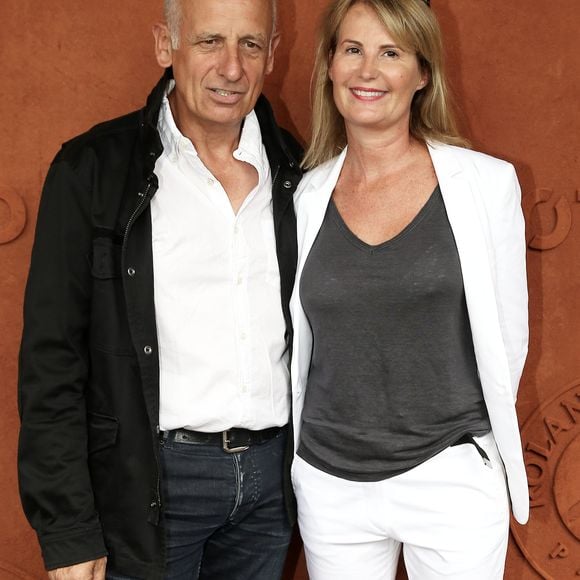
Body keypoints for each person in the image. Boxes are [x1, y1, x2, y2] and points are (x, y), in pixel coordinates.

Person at [17, 0, 302, 578]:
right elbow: (52, 360)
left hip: (273, 489)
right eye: (208, 42)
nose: (231, 68)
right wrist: (68, 528)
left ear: (272, 54)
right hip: (148, 485)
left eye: (250, 44)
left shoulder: (302, 173)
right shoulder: (91, 170)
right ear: (164, 46)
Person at [289, 0, 528, 578]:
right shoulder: (303, 197)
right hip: (329, 482)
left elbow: (507, 337)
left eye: (390, 52)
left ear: (422, 73)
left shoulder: (485, 185)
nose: (367, 71)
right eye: (353, 49)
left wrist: (474, 449)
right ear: (329, 65)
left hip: (449, 473)